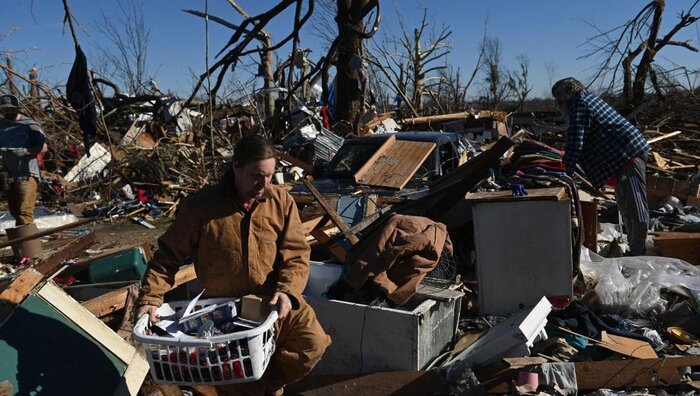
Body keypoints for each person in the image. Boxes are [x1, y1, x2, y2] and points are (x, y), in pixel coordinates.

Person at [137, 134, 331, 395]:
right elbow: (167, 256)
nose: (264, 184)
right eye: (256, 176)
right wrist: (150, 298)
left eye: (270, 176)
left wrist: (287, 290)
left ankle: (266, 387)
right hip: (230, 313)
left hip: (274, 302)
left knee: (313, 343)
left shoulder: (280, 201)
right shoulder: (200, 207)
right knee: (241, 382)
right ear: (236, 167)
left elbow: (296, 253)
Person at [552, 77, 651, 255]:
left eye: (559, 95)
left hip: (628, 154)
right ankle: (634, 249)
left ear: (569, 91)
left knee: (636, 208)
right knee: (625, 207)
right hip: (621, 158)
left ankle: (638, 253)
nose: (558, 101)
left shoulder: (578, 103)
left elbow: (576, 141)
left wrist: (563, 173)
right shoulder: (587, 100)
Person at [0, 94, 48, 226]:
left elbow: (43, 147)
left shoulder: (29, 125)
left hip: (27, 173)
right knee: (15, 211)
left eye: (11, 109)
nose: (8, 112)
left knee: (24, 212)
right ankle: (21, 241)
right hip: (9, 175)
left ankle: (28, 244)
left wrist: (26, 151)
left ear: (17, 108)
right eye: (5, 110)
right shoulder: (1, 125)